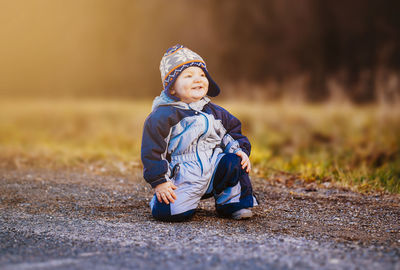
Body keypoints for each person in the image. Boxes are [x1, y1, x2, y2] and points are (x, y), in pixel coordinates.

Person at [141, 44, 258, 222]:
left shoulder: (214, 112)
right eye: (188, 76)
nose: (198, 79)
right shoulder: (162, 116)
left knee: (235, 161)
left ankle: (232, 202)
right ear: (172, 88)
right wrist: (160, 182)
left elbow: (233, 131)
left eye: (202, 75)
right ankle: (163, 202)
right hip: (184, 174)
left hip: (213, 166)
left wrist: (239, 149)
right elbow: (152, 151)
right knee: (169, 214)